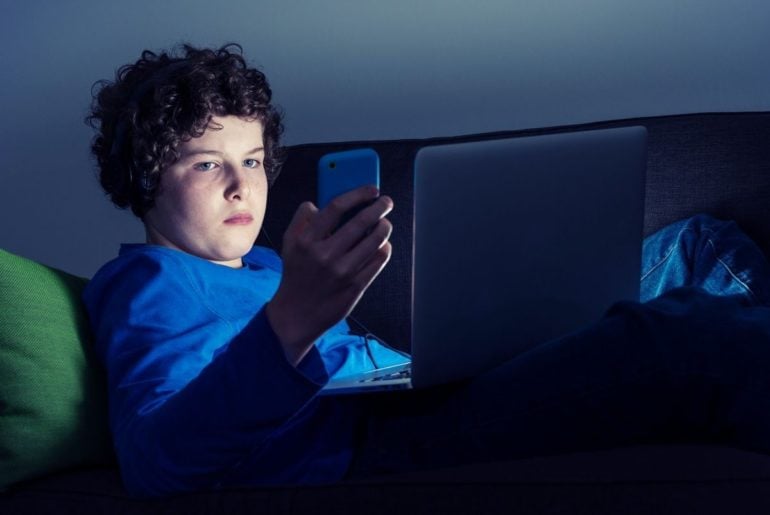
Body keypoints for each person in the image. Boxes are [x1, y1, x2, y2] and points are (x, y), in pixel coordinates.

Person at [84, 43, 770, 498]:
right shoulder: (146, 284)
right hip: (380, 446)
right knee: (674, 339)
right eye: (208, 162)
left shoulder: (264, 264)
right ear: (145, 179)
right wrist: (291, 319)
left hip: (415, 386)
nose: (243, 185)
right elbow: (155, 461)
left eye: (254, 159)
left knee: (694, 247)